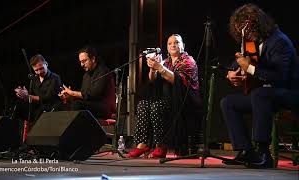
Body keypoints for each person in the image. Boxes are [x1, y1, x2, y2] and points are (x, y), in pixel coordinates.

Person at [220, 3, 299, 168]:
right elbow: (240, 60)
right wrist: (232, 72)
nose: (246, 35)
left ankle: (264, 153)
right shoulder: (252, 43)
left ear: (258, 24)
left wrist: (248, 68)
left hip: (288, 93)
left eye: (248, 30)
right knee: (228, 102)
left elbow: (280, 77)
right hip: (266, 97)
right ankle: (246, 151)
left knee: (259, 94)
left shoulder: (279, 42)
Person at [127, 34, 203, 158]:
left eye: (176, 42)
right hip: (168, 99)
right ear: (167, 47)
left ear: (183, 46)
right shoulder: (166, 62)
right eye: (170, 43)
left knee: (157, 106)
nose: (173, 45)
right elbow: (153, 80)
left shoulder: (188, 61)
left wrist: (160, 68)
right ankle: (142, 144)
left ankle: (160, 145)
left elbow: (177, 80)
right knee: (143, 104)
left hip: (185, 101)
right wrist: (153, 68)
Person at [59, 46, 115, 119]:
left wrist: (72, 93)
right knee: (62, 106)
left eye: (84, 61)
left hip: (103, 108)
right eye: (81, 62)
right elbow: (84, 95)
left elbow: (93, 94)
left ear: (93, 59)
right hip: (91, 106)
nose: (82, 64)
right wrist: (70, 97)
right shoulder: (86, 75)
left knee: (77, 105)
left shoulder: (103, 71)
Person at [14, 54, 63, 122]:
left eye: (41, 68)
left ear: (46, 64)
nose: (39, 72)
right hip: (38, 108)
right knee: (18, 106)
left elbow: (47, 98)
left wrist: (28, 96)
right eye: (36, 70)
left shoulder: (55, 78)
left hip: (51, 109)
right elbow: (32, 95)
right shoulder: (35, 79)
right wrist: (23, 93)